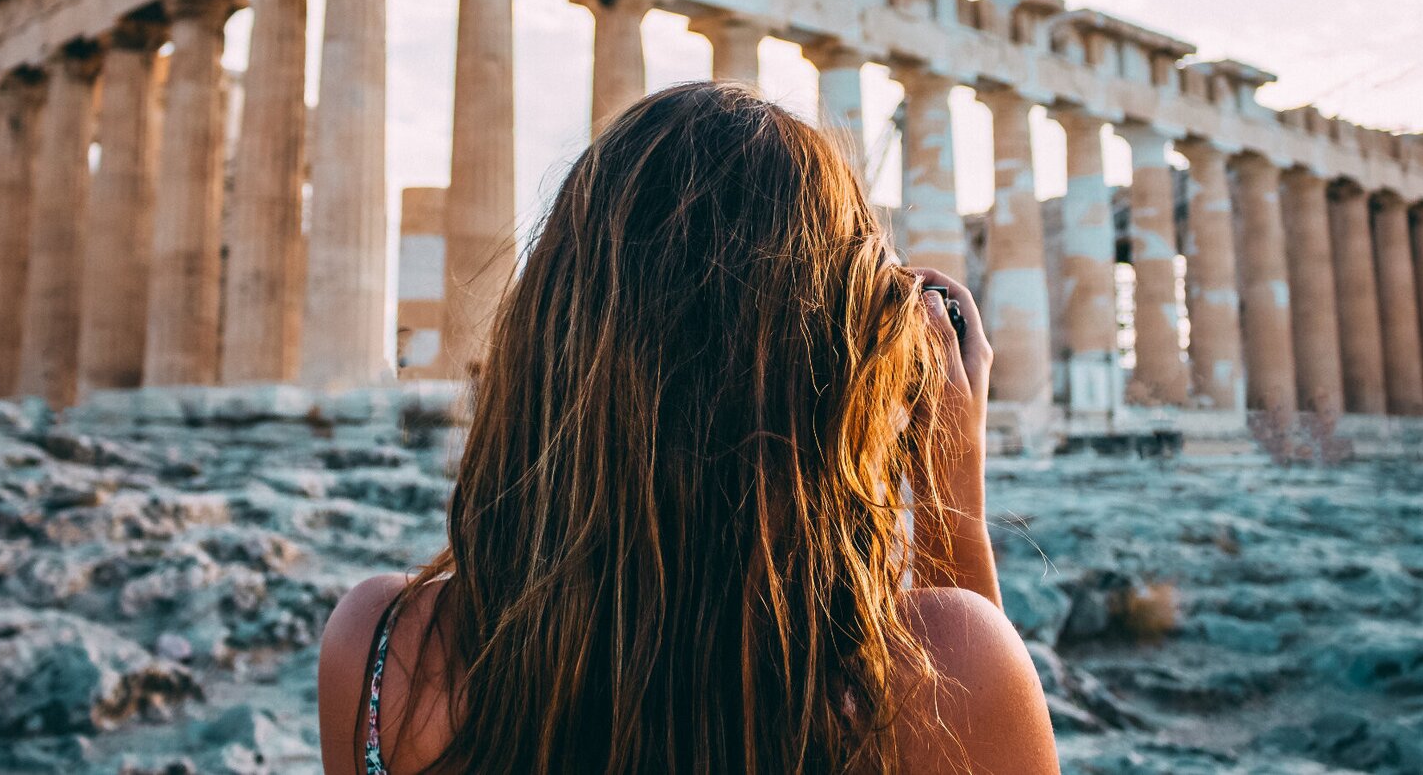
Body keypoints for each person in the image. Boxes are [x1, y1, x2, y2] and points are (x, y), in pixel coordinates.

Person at [318, 82, 1056, 774]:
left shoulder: (378, 649)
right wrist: (949, 490)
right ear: (839, 361)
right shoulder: (946, 669)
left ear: (549, 327)